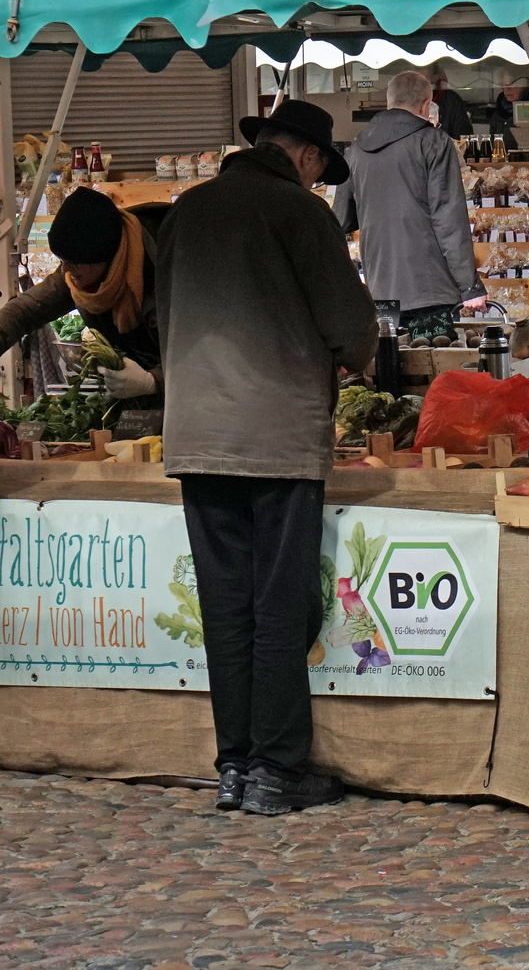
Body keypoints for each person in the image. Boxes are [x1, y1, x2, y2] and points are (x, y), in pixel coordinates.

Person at [153, 99, 379, 816]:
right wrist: (358, 361)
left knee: (225, 605)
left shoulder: (187, 210)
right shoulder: (298, 211)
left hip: (197, 432)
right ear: (307, 158)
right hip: (275, 435)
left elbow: (163, 320)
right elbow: (349, 322)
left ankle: (234, 767)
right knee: (279, 604)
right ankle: (276, 770)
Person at [336, 70, 484, 343]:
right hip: (431, 289)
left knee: (391, 372)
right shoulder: (434, 143)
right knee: (434, 371)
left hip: (380, 288)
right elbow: (448, 219)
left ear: (389, 101)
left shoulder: (355, 150)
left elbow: (341, 219)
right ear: (426, 105)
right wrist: (470, 287)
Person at [0, 188, 165, 400]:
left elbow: (205, 354)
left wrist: (152, 382)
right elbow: (25, 311)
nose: (66, 271)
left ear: (106, 257)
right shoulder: (79, 274)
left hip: (194, 396)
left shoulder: (167, 267)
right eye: (62, 261)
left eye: (74, 263)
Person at [426, 66, 474, 138]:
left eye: (419, 69)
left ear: (435, 78)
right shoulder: (411, 99)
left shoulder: (452, 100)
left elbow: (463, 136)